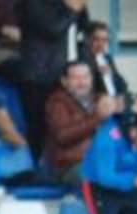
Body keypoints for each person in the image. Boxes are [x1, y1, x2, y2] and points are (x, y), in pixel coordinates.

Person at [17, 0, 87, 162]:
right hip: (40, 74)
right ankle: (36, 165)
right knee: (39, 126)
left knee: (68, 122)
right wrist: (72, 9)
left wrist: (80, 10)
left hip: (68, 70)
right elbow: (53, 29)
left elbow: (83, 27)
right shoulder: (35, 4)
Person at [43, 60, 114, 186]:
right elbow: (63, 136)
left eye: (86, 77)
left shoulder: (99, 100)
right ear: (64, 81)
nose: (82, 82)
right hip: (71, 165)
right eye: (76, 78)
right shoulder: (57, 103)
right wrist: (98, 118)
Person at [81, 20, 127, 103]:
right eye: (96, 39)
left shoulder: (107, 58)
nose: (101, 44)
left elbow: (123, 86)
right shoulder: (79, 58)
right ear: (86, 39)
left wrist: (111, 74)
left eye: (105, 40)